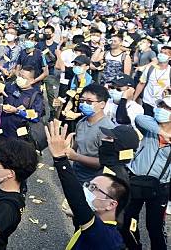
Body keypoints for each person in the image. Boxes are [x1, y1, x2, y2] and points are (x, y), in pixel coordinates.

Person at [45, 120, 130, 250]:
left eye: (93, 188)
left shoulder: (105, 237)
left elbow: (78, 201)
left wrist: (60, 160)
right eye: (89, 184)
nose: (86, 190)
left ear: (111, 204)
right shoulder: (97, 226)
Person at [122, 97, 171, 250]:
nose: (161, 109)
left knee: (154, 228)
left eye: (166, 107)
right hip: (136, 179)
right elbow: (139, 118)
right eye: (161, 105)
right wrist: (163, 132)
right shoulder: (150, 126)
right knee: (128, 221)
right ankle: (134, 247)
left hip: (160, 187)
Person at [67, 84, 116, 183]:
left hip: (93, 181)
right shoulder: (81, 122)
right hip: (76, 174)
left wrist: (76, 157)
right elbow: (76, 146)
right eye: (82, 101)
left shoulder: (107, 129)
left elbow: (105, 162)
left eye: (89, 101)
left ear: (102, 104)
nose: (84, 104)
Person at [0, 66, 46, 140]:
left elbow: (35, 116)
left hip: (19, 136)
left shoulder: (35, 96)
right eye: (19, 75)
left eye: (23, 77)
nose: (20, 78)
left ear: (32, 80)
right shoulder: (10, 86)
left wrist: (18, 111)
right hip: (2, 131)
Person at [134, 46, 170, 116]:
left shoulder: (169, 71)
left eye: (165, 53)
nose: (162, 54)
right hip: (147, 102)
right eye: (161, 52)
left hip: (163, 106)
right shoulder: (150, 68)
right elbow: (141, 84)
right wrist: (134, 99)